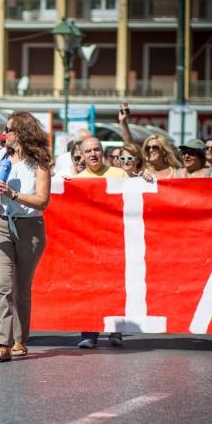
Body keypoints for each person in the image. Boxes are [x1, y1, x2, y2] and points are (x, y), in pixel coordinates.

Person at [0, 112, 51, 362]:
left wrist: (13, 195)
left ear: (22, 133)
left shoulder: (39, 162)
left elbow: (42, 200)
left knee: (21, 289)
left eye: (8, 130)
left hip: (29, 227)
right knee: (3, 286)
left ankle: (20, 339)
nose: (4, 134)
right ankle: (3, 342)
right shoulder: (2, 155)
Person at [74, 136, 127, 349]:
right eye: (88, 151)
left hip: (114, 240)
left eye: (96, 149)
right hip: (88, 243)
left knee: (115, 287)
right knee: (89, 289)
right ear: (82, 156)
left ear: (102, 152)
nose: (93, 154)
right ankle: (89, 334)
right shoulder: (77, 180)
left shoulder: (119, 174)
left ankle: (116, 331)